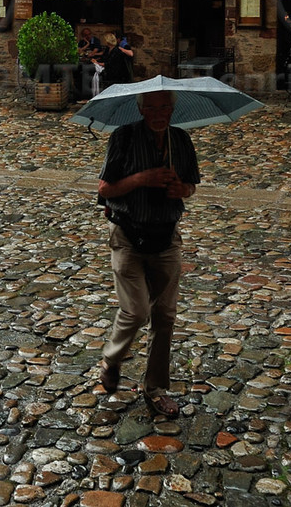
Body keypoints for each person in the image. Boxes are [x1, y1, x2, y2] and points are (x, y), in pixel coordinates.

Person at [96, 89, 200, 417]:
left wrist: (181, 189)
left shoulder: (180, 140)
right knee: (137, 311)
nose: (159, 113)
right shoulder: (124, 138)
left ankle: (155, 389)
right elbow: (105, 190)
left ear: (172, 109)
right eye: (152, 107)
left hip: (166, 237)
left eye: (165, 107)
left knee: (165, 316)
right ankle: (111, 360)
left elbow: (192, 185)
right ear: (141, 110)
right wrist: (144, 179)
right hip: (128, 234)